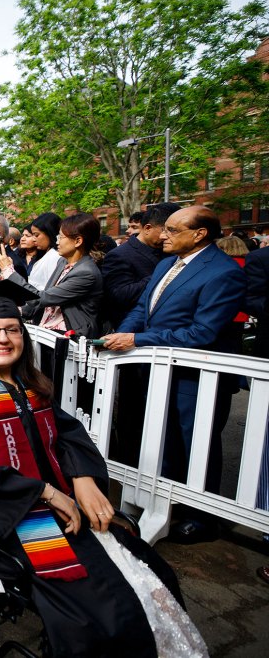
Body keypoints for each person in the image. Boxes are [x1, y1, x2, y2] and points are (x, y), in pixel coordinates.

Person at [0, 280, 206, 658]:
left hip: (62, 500)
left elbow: (68, 433)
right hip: (6, 513)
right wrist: (44, 491)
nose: (2, 339)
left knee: (152, 572)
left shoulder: (31, 383)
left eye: (11, 329)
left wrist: (84, 478)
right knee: (98, 606)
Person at [104, 206, 245, 544]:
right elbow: (143, 309)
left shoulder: (224, 272)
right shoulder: (166, 264)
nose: (162, 235)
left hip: (197, 380)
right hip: (158, 372)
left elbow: (202, 333)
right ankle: (167, 503)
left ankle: (202, 518)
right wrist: (119, 338)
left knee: (197, 447)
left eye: (171, 229)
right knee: (165, 442)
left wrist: (137, 340)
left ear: (199, 234)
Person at [4, 213, 104, 338]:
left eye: (61, 237)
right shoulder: (63, 261)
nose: (57, 241)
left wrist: (9, 272)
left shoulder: (86, 273)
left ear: (78, 241)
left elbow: (42, 297)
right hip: (45, 330)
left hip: (70, 338)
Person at [100, 203, 178, 330]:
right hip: (132, 330)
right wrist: (162, 275)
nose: (167, 236)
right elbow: (119, 296)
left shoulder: (171, 252)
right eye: (165, 230)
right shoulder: (119, 255)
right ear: (147, 228)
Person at [27, 212, 62, 291]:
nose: (33, 239)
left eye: (36, 235)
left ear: (50, 233)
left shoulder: (55, 256)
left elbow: (51, 290)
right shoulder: (46, 254)